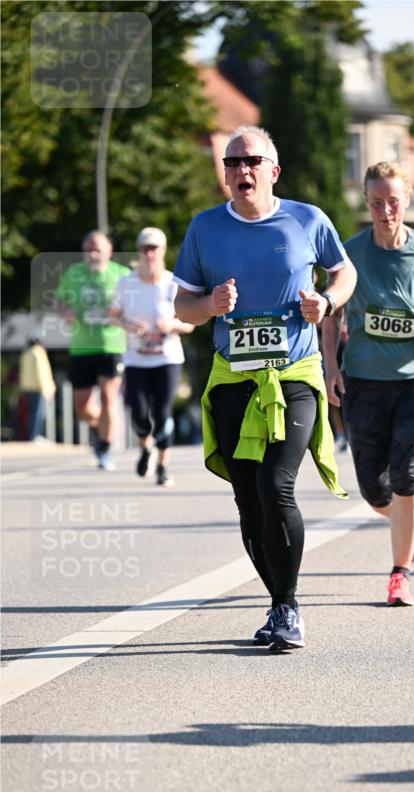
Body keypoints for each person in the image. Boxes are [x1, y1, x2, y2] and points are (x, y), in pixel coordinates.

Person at [173, 125, 356, 651]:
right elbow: (182, 307)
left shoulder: (307, 219)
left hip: (294, 373)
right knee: (248, 499)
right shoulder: (205, 228)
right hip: (233, 377)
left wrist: (327, 302)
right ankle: (278, 602)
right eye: (232, 162)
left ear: (273, 170)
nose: (241, 170)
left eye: (251, 161)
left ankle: (289, 606)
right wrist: (209, 306)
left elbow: (344, 274)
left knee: (276, 486)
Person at [322, 162, 414, 608]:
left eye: (394, 202)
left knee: (409, 474)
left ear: (407, 202)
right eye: (377, 203)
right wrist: (331, 367)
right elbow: (332, 315)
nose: (385, 211)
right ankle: (407, 523)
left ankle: (400, 574)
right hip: (363, 379)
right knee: (374, 489)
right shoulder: (350, 255)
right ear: (366, 202)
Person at [110, 227, 194, 486]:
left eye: (154, 248)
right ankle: (145, 446)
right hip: (136, 359)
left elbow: (190, 323)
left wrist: (171, 325)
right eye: (145, 248)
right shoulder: (126, 283)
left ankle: (163, 466)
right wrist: (129, 326)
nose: (150, 254)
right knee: (139, 413)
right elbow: (114, 315)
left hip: (167, 358)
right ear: (139, 251)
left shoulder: (173, 283)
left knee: (162, 412)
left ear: (163, 251)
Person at [54, 231, 129, 469]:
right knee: (83, 408)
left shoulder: (122, 274)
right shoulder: (73, 274)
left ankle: (105, 449)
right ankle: (99, 428)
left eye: (97, 249)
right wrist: (64, 312)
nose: (93, 254)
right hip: (81, 347)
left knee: (108, 397)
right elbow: (59, 301)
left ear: (109, 251)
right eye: (88, 249)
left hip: (111, 345)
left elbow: (133, 306)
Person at [18, 335, 56, 441]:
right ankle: (34, 435)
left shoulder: (25, 353)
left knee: (31, 413)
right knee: (38, 413)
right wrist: (47, 389)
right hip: (39, 388)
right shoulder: (39, 353)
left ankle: (31, 435)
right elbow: (42, 372)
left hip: (27, 388)